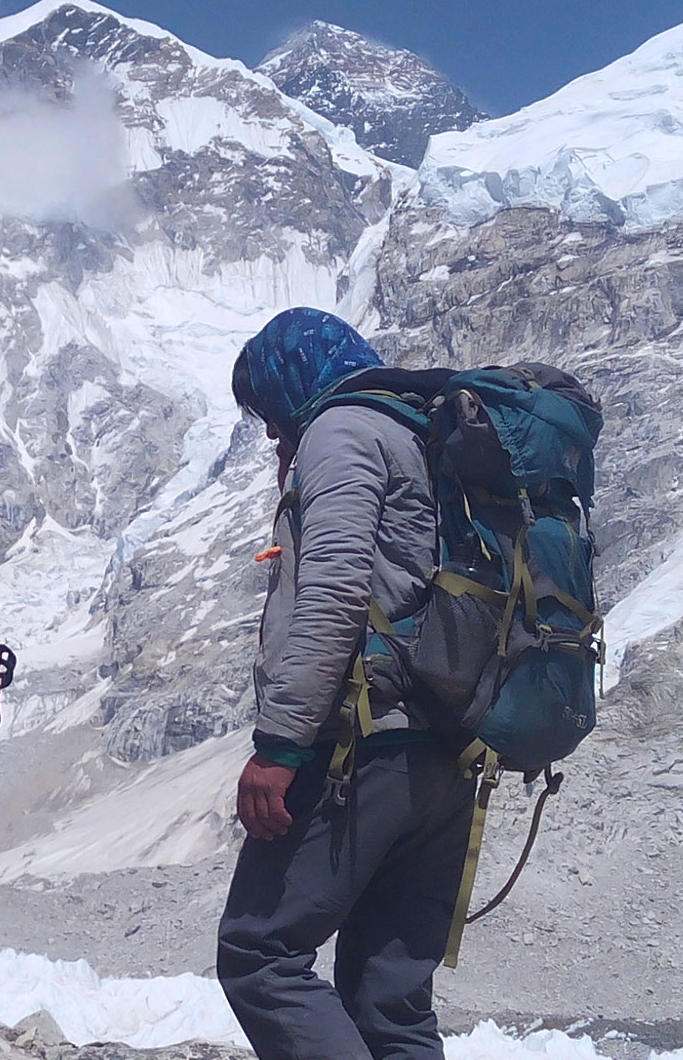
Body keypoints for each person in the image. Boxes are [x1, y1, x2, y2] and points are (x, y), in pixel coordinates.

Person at [216, 308, 473, 1060]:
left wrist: (281, 744)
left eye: (268, 409)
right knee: (389, 999)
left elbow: (331, 596)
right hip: (448, 755)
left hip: (362, 749)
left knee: (260, 955)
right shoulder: (425, 434)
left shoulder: (343, 432)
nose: (270, 432)